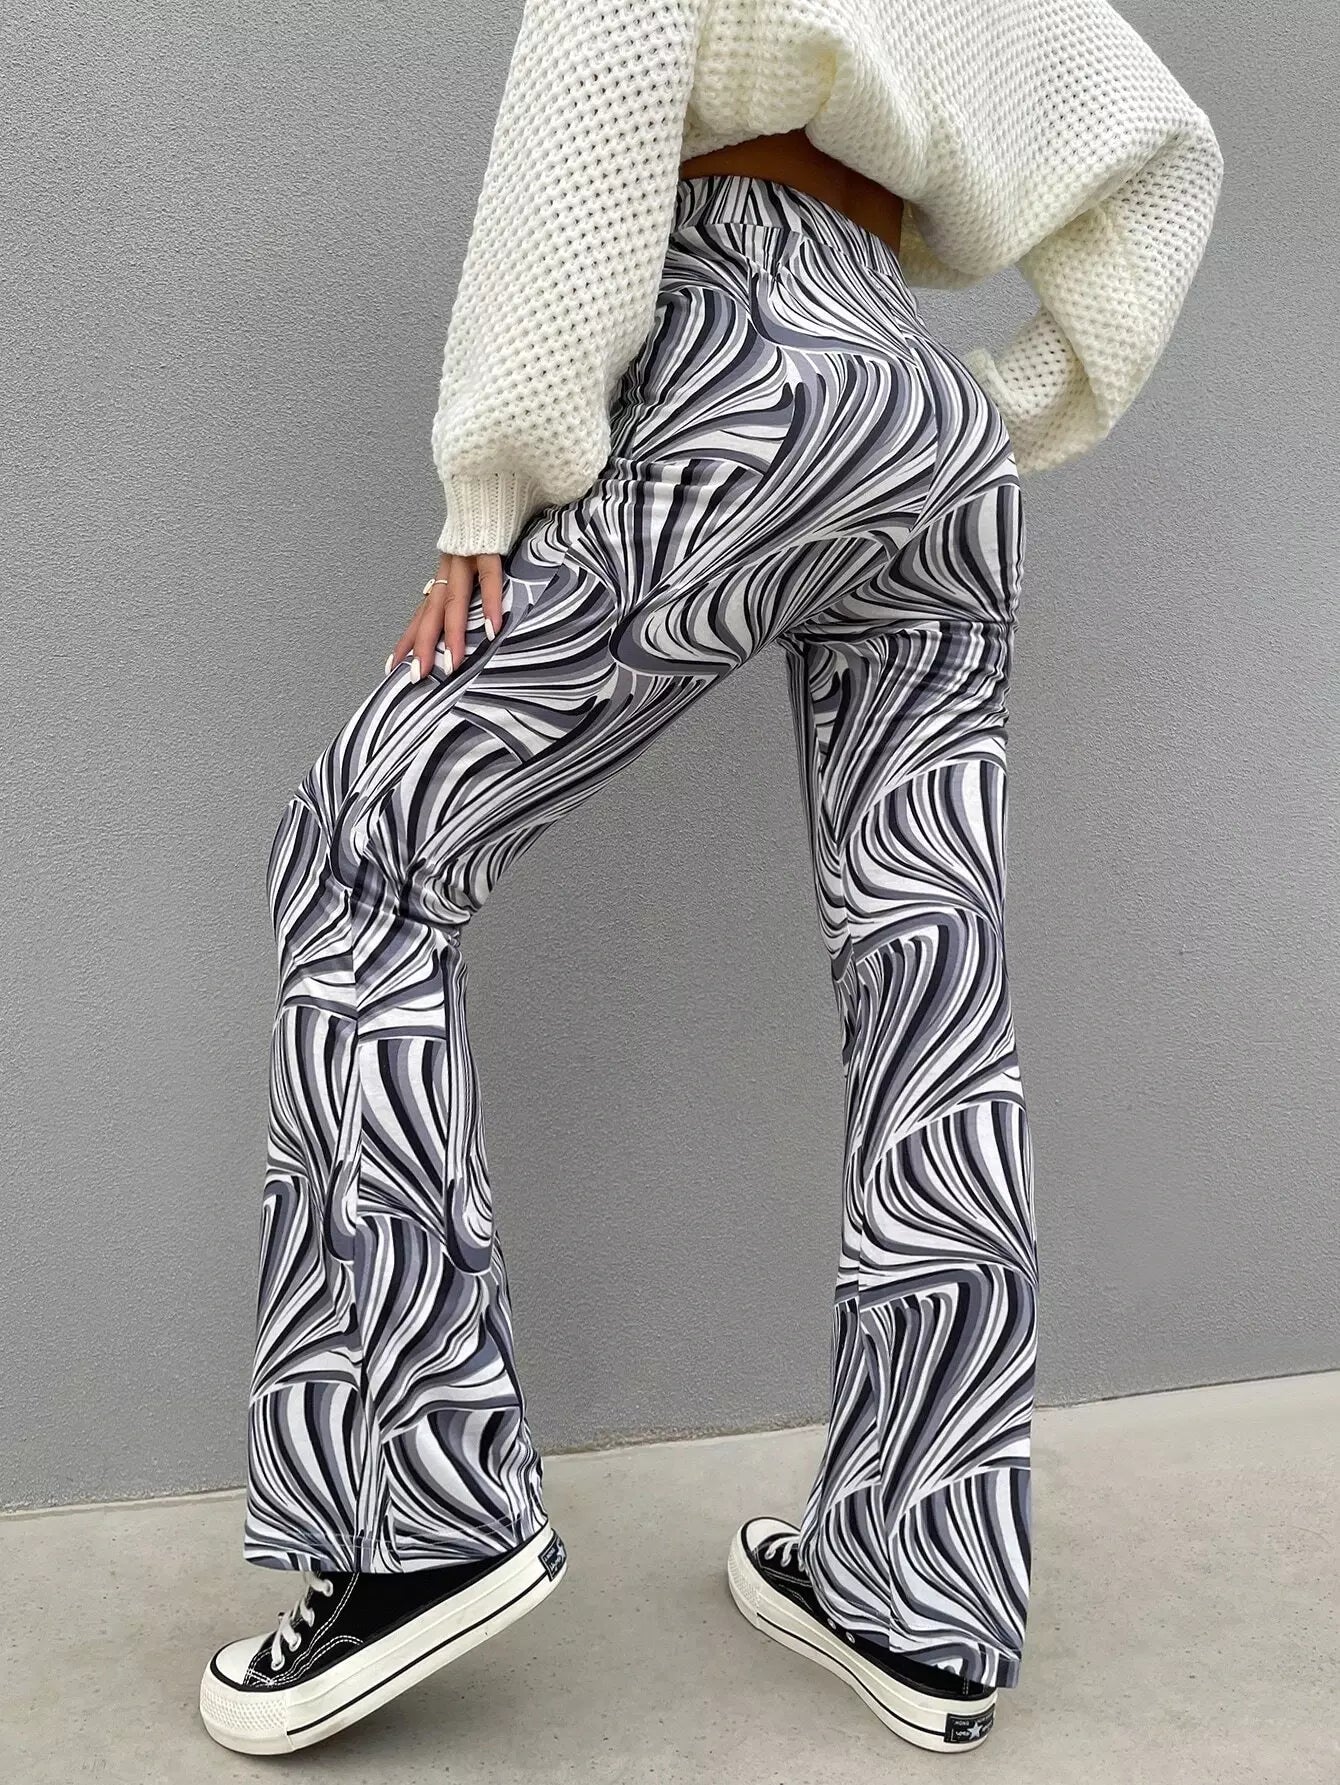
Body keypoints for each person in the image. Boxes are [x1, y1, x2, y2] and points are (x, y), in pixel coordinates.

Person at [198, 0, 1223, 1758]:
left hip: (742, 348)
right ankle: (922, 1582)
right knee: (931, 983)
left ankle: (419, 1516)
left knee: (362, 850)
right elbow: (1159, 149)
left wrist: (491, 484)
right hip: (915, 401)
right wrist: (994, 405)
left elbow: (598, 77)